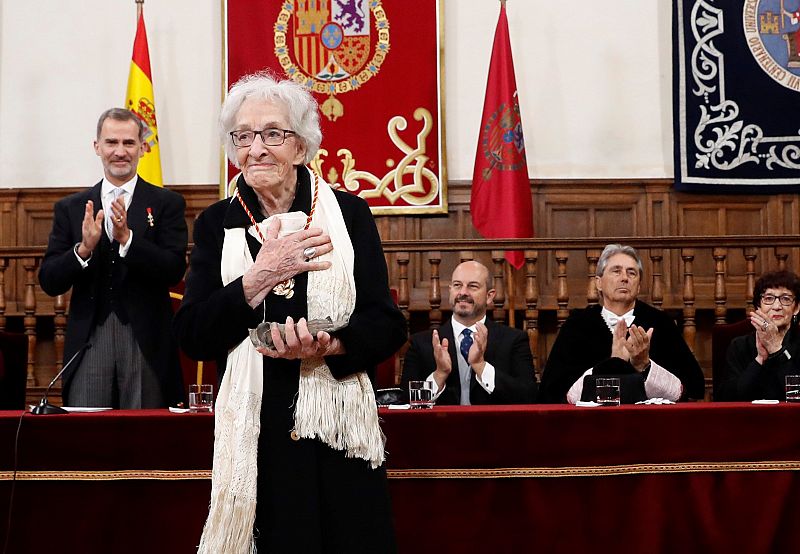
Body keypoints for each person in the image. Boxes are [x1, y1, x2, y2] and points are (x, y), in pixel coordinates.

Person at [173, 71, 406, 553]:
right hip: (260, 432)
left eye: (272, 134)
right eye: (243, 136)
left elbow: (387, 325)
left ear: (301, 147)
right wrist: (260, 276)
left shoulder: (349, 214)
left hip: (337, 429)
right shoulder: (218, 224)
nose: (256, 148)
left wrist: (333, 343)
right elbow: (194, 334)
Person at [38, 108, 188, 408]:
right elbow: (49, 280)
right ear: (97, 147)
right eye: (111, 143)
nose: (120, 152)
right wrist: (84, 249)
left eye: (129, 143)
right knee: (86, 440)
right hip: (90, 340)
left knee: (146, 440)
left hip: (146, 341)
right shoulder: (71, 208)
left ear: (143, 147)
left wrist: (127, 240)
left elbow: (174, 269)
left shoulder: (166, 203)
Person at [538, 244, 705, 404]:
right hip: (589, 424)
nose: (624, 278)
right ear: (599, 283)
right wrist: (612, 364)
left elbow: (693, 387)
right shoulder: (577, 325)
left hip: (651, 423)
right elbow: (553, 392)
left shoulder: (660, 323)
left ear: (638, 286)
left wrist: (644, 365)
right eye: (616, 271)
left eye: (631, 273)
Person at [401, 260, 537, 405]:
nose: (463, 292)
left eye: (472, 286)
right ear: (450, 290)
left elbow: (529, 396)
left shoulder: (514, 340)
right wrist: (439, 374)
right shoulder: (421, 343)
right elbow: (405, 402)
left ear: (489, 296)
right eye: (457, 285)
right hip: (440, 427)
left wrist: (480, 366)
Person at [718, 270, 800, 401]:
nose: (777, 306)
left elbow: (797, 393)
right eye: (768, 298)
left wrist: (776, 350)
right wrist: (760, 359)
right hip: (749, 419)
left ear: (796, 308)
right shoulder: (739, 346)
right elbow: (728, 398)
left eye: (785, 299)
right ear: (758, 306)